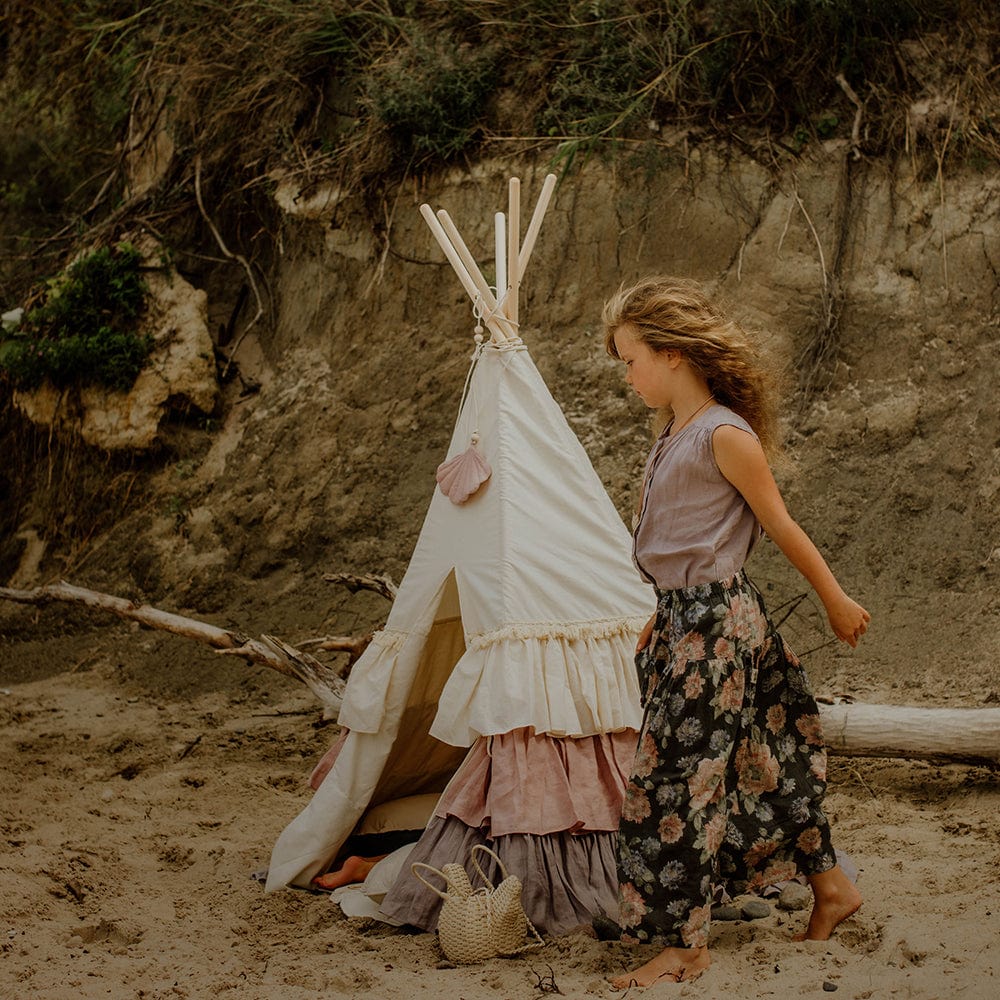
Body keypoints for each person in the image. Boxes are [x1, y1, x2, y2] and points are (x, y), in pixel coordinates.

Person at [602, 276, 869, 988]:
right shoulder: (673, 431)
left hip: (717, 632)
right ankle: (834, 888)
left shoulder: (722, 435)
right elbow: (691, 539)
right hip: (688, 622)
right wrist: (663, 612)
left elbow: (780, 526)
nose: (626, 375)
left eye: (631, 359)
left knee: (677, 783)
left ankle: (688, 944)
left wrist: (834, 601)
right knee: (765, 763)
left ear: (672, 356)